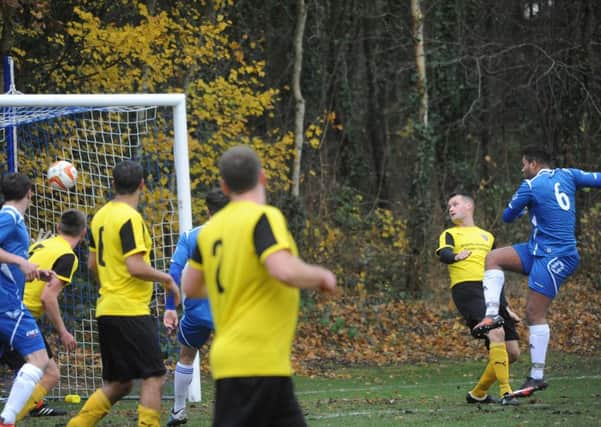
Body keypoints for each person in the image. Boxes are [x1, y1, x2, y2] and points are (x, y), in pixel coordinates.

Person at [182, 145, 336, 427]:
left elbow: (190, 286)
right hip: (256, 360)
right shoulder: (263, 217)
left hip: (238, 361)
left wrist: (234, 283)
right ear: (263, 178)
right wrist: (321, 277)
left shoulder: (211, 230)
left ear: (223, 185)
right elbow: (283, 269)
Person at [473, 145, 601, 393]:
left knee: (534, 314)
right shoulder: (569, 174)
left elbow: (507, 216)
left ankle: (537, 375)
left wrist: (522, 207)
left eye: (523, 164)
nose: (522, 169)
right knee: (494, 258)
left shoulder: (530, 187)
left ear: (533, 164)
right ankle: (492, 314)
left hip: (557, 254)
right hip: (536, 249)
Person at [67, 160, 180, 427]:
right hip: (129, 310)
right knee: (154, 375)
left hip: (107, 308)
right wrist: (168, 280)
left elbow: (92, 264)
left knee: (120, 384)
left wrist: (108, 285)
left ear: (113, 184)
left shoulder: (100, 216)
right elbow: (135, 266)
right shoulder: (130, 218)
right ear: (142, 185)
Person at [1, 209, 86, 421]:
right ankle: (9, 419)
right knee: (50, 373)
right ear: (83, 233)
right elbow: (47, 297)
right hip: (17, 314)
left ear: (58, 228)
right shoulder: (68, 256)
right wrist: (63, 332)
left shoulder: (43, 243)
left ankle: (33, 405)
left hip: (8, 304)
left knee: (31, 369)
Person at [436, 193, 521, 405]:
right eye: (448, 206)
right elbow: (443, 254)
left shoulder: (488, 237)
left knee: (512, 352)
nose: (451, 208)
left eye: (455, 204)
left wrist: (505, 305)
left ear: (468, 206)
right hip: (467, 289)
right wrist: (455, 256)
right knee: (495, 330)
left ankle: (478, 393)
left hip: (491, 290)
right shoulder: (449, 234)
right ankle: (506, 392)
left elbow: (495, 271)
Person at [163, 188, 229, 426]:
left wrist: (170, 307)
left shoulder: (191, 236)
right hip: (230, 311)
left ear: (208, 210)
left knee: (187, 355)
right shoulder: (243, 236)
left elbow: (173, 272)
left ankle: (178, 409)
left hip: (197, 311)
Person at [0, 172, 52, 427]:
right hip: (6, 303)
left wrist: (33, 270)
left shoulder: (12, 218)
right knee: (39, 360)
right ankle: (7, 420)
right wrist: (21, 261)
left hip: (8, 299)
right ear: (29, 193)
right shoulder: (9, 216)